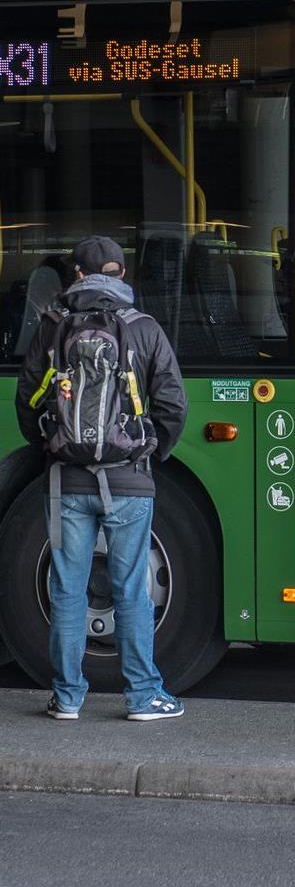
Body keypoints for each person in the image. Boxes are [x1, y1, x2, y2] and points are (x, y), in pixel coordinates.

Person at [15, 235, 188, 722]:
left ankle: (67, 697)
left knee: (67, 587)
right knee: (130, 586)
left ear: (75, 275)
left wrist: (50, 447)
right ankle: (142, 696)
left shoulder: (51, 328)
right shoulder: (143, 328)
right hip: (128, 477)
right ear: (121, 275)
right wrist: (153, 450)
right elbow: (174, 405)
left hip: (67, 480)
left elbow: (27, 403)